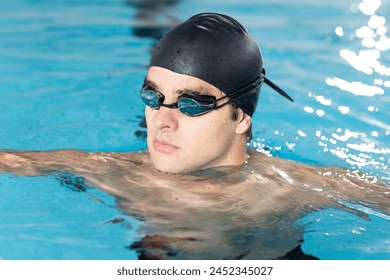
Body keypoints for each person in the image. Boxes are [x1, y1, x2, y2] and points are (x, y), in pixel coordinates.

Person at [0, 13, 389, 260]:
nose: (162, 121)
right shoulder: (117, 172)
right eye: (152, 96)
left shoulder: (294, 188)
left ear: (241, 118)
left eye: (192, 105)